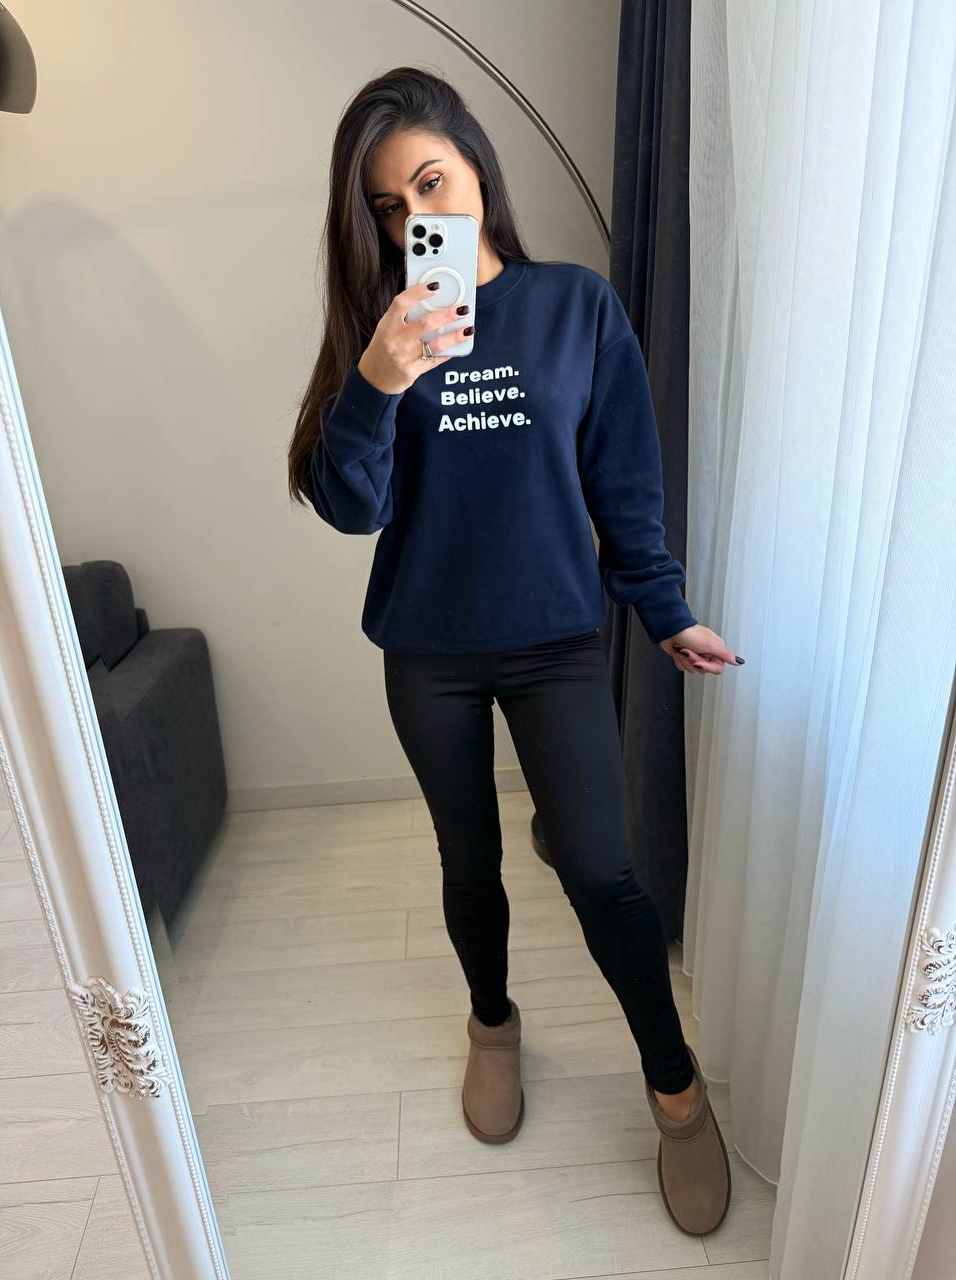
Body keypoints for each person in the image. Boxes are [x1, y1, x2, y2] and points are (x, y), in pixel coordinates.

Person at [287, 66, 741, 1237]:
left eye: (431, 182)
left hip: (554, 640)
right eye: (389, 206)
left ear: (478, 171)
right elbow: (350, 507)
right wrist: (377, 382)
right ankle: (492, 1019)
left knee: (600, 868)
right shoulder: (382, 334)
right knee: (469, 856)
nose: (417, 216)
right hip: (427, 649)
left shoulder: (575, 307)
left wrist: (665, 607)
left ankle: (675, 1085)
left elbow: (624, 486)